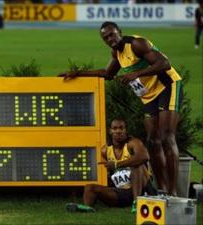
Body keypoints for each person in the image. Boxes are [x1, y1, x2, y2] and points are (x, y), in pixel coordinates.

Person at [59, 21, 183, 196]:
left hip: (168, 86)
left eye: (112, 34)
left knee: (166, 137)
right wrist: (78, 73)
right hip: (149, 96)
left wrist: (136, 74)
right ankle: (160, 190)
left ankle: (173, 192)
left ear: (120, 32)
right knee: (153, 141)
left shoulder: (136, 44)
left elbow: (165, 63)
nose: (110, 39)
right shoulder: (117, 52)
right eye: (105, 38)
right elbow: (108, 74)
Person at [66, 118, 155, 213]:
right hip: (121, 192)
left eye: (121, 128)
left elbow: (143, 156)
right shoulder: (105, 150)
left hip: (143, 189)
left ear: (126, 130)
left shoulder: (133, 143)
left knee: (136, 165)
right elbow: (111, 173)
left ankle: (137, 203)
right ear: (110, 131)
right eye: (115, 128)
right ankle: (87, 208)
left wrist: (117, 164)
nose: (118, 131)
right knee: (89, 187)